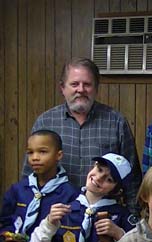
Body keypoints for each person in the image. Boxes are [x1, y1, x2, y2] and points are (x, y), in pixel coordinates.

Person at [23, 57, 142, 216]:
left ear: (96, 88)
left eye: (87, 84)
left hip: (103, 218)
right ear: (62, 88)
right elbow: (29, 174)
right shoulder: (45, 122)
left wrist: (132, 219)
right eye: (74, 84)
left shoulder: (116, 122)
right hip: (55, 216)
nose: (81, 89)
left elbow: (132, 178)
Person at [29, 153, 136, 242]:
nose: (98, 178)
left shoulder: (122, 216)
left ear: (117, 189)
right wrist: (49, 224)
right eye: (99, 170)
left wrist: (119, 234)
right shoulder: (65, 206)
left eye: (109, 179)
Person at [0, 130, 79, 242]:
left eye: (42, 152)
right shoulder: (18, 190)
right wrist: (6, 239)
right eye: (30, 152)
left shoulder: (70, 194)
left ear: (59, 155)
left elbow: (70, 235)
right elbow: (5, 221)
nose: (35, 157)